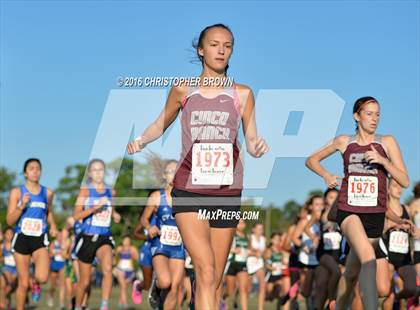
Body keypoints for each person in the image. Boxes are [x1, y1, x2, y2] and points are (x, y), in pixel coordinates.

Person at [127, 23, 269, 309]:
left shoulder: (242, 94)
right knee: (205, 270)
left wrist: (256, 147)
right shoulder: (183, 90)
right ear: (201, 51)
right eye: (215, 44)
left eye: (227, 45)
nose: (221, 50)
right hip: (189, 189)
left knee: (213, 279)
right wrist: (141, 140)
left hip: (227, 191)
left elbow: (251, 138)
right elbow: (160, 123)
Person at [306, 96, 410, 309]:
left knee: (351, 273)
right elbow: (311, 160)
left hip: (375, 214)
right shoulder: (344, 141)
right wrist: (326, 175)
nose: (374, 119)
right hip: (349, 210)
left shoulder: (386, 142)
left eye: (377, 114)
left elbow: (404, 180)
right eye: (369, 114)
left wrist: (383, 161)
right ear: (357, 116)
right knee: (369, 257)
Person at [7, 158, 58, 310]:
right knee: (23, 283)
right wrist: (21, 206)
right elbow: (10, 221)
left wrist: (53, 225)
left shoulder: (47, 192)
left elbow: (49, 212)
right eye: (31, 168)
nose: (35, 171)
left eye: (38, 168)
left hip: (39, 238)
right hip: (22, 238)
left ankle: (34, 282)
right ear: (25, 173)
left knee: (43, 277)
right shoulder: (17, 192)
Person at [73, 158, 121, 310]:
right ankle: (78, 306)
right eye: (95, 170)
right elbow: (76, 215)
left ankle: (104, 304)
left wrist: (115, 215)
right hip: (87, 236)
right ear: (90, 173)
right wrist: (94, 208)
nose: (98, 173)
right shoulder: (85, 190)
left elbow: (111, 209)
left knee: (107, 269)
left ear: (104, 172)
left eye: (101, 170)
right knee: (85, 282)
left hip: (104, 237)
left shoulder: (110, 191)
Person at [141, 160, 186, 309]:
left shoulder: (186, 198)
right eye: (170, 171)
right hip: (160, 244)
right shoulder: (156, 196)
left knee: (174, 287)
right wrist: (150, 226)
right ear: (164, 175)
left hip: (178, 246)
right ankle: (156, 286)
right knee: (165, 282)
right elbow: (143, 219)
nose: (174, 175)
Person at [223, 219, 250, 310]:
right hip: (232, 263)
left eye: (243, 222)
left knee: (243, 288)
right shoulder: (231, 235)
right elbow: (223, 246)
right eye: (239, 222)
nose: (242, 225)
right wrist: (233, 250)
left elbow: (248, 250)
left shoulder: (246, 236)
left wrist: (253, 253)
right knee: (230, 291)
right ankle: (224, 299)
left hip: (242, 264)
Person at [114, 235, 139, 309]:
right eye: (125, 240)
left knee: (124, 287)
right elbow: (114, 258)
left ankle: (120, 302)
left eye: (128, 240)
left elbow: (138, 259)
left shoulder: (133, 249)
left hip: (130, 271)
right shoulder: (119, 248)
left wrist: (133, 255)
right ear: (122, 241)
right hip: (120, 269)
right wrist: (114, 260)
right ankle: (125, 305)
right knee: (123, 286)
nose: (126, 242)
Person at [0, 227, 18, 309]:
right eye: (7, 234)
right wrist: (2, 258)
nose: (9, 235)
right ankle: (3, 304)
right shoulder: (2, 245)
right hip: (6, 267)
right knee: (5, 285)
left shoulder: (17, 245)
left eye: (11, 234)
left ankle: (7, 303)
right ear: (4, 235)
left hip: (15, 268)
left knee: (11, 287)